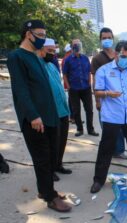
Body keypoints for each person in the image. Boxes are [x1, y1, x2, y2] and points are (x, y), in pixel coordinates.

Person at [7, 20, 71, 212]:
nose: (43, 39)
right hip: (35, 119)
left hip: (50, 115)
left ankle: (45, 190)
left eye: (44, 35)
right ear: (28, 34)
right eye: (40, 35)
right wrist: (33, 115)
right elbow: (21, 89)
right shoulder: (17, 57)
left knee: (51, 154)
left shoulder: (36, 56)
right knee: (42, 157)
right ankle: (50, 197)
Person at [90, 41, 127, 194]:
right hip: (112, 115)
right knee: (106, 147)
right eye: (124, 56)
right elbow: (97, 91)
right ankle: (98, 179)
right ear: (116, 54)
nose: (126, 60)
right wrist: (108, 94)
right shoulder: (103, 70)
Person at [37, 38, 72, 180]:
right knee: (51, 143)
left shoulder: (52, 66)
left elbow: (59, 87)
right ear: (40, 50)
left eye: (54, 51)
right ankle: (50, 170)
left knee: (62, 140)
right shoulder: (37, 67)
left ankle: (58, 164)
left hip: (63, 110)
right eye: (49, 51)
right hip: (50, 112)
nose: (52, 53)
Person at [91, 27, 127, 160]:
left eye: (109, 38)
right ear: (100, 40)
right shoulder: (97, 59)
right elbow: (95, 80)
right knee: (107, 126)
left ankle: (119, 150)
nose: (107, 40)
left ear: (113, 38)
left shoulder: (119, 55)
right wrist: (97, 100)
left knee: (121, 126)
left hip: (120, 97)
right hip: (105, 97)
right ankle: (110, 150)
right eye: (104, 38)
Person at [63, 39, 99, 137]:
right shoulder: (68, 60)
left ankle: (90, 129)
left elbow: (89, 72)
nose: (77, 46)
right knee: (76, 110)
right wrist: (69, 87)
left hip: (86, 88)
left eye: (78, 44)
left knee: (89, 110)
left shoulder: (85, 58)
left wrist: (89, 83)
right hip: (74, 89)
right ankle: (79, 129)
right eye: (75, 45)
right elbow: (65, 74)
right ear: (72, 46)